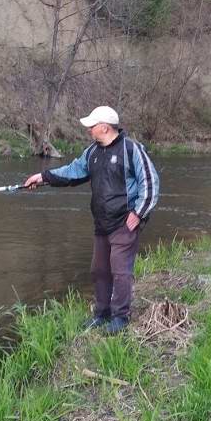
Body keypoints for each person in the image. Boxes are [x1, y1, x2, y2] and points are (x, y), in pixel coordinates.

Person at [24, 106, 159, 335]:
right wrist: (43, 177)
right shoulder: (92, 152)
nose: (89, 130)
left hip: (124, 223)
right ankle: (101, 314)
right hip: (101, 224)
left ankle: (120, 318)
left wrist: (138, 213)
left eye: (92, 126)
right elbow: (72, 172)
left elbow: (151, 182)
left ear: (104, 127)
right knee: (99, 270)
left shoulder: (131, 149)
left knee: (120, 271)